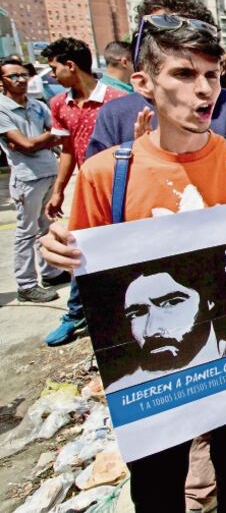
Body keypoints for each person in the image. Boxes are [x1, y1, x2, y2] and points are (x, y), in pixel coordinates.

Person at [39, 5, 226, 513]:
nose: (204, 89)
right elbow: (85, 266)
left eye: (212, 75)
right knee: (157, 489)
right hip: (152, 389)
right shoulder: (108, 174)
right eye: (184, 74)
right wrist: (59, 248)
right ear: (144, 82)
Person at [86, 0, 226, 158]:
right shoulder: (114, 114)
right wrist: (140, 159)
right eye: (183, 74)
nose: (203, 89)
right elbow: (101, 179)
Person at [39, 37, 128, 346]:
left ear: (71, 65)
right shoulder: (59, 104)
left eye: (54, 68)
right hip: (86, 190)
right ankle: (75, 314)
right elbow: (65, 151)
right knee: (80, 251)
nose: (52, 75)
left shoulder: (117, 100)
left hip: (121, 188)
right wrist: (58, 191)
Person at [106, 270, 226, 392]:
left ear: (208, 301)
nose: (151, 329)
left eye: (170, 303)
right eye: (137, 314)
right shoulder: (124, 390)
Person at [0, 57, 65, 303]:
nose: (20, 80)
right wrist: (49, 138)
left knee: (47, 227)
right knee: (26, 232)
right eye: (13, 76)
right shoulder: (2, 108)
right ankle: (26, 284)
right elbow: (24, 145)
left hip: (49, 172)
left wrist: (47, 139)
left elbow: (58, 134)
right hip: (27, 178)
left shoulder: (38, 106)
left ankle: (50, 273)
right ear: (2, 81)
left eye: (23, 75)